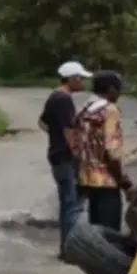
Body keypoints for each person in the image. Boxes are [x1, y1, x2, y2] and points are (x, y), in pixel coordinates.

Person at [39, 60, 91, 257]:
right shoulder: (64, 99)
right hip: (65, 157)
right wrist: (77, 153)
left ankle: (67, 247)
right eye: (81, 78)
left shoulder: (54, 96)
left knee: (68, 201)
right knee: (70, 204)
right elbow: (69, 130)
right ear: (72, 79)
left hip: (56, 153)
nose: (83, 82)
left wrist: (55, 136)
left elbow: (42, 122)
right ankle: (69, 249)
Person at [73, 70, 134, 232]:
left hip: (86, 177)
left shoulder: (86, 108)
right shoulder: (109, 110)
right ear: (111, 89)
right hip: (106, 180)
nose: (120, 94)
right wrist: (124, 182)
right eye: (119, 89)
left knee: (96, 228)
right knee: (109, 230)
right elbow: (111, 152)